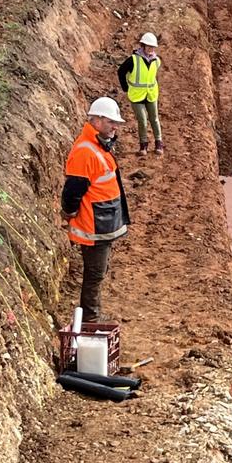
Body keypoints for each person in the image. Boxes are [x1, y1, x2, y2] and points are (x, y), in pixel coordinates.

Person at [61, 97, 131, 320]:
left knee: (97, 272)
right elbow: (73, 191)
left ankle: (91, 315)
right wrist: (70, 213)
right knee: (95, 274)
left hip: (103, 221)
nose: (115, 127)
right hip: (94, 225)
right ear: (97, 120)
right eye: (111, 122)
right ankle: (91, 319)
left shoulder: (98, 145)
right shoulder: (85, 151)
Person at [117, 32, 163, 156]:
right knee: (142, 120)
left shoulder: (156, 61)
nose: (150, 49)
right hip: (137, 95)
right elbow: (121, 72)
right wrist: (125, 88)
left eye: (152, 47)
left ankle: (159, 143)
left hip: (151, 94)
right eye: (148, 46)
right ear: (143, 46)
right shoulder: (133, 60)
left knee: (154, 119)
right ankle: (143, 145)